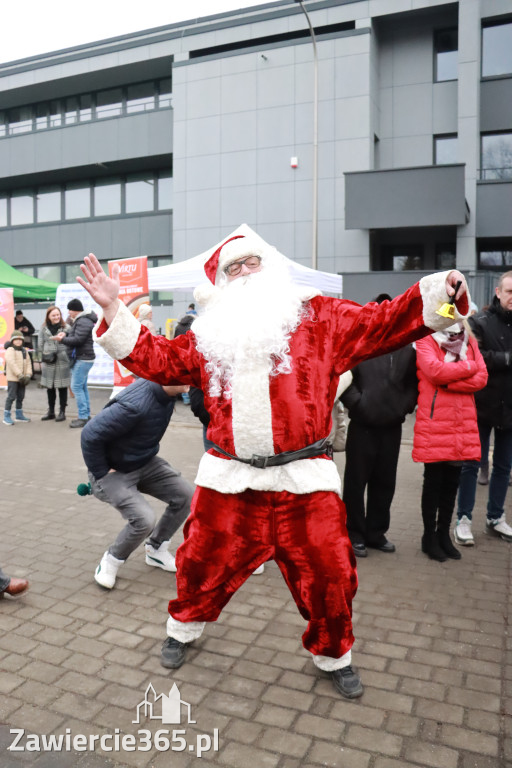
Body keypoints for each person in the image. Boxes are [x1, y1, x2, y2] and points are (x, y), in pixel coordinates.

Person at [77, 235, 469, 700]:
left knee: (332, 576)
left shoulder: (322, 317)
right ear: (222, 283)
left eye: (251, 262)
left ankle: (334, 655)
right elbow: (158, 361)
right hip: (230, 480)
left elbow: (385, 323)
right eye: (233, 268)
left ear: (272, 266)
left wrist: (444, 293)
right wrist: (113, 311)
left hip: (304, 481)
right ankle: (181, 629)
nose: (244, 272)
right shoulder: (208, 335)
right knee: (199, 565)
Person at [81, 378, 194, 589]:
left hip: (144, 462)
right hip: (114, 471)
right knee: (144, 519)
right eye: (186, 373)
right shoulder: (135, 405)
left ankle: (156, 550)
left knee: (186, 495)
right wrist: (102, 471)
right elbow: (90, 434)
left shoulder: (169, 392)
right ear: (167, 375)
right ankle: (111, 561)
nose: (192, 378)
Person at [341, 294, 418, 557]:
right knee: (355, 482)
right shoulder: (358, 345)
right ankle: (354, 533)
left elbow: (413, 385)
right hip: (362, 426)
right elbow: (343, 380)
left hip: (392, 427)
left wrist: (403, 407)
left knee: (385, 482)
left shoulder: (406, 348)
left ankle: (376, 533)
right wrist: (359, 404)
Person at [413, 322, 487, 561]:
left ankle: (443, 534)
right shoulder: (426, 338)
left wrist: (449, 381)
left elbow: (482, 377)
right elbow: (434, 372)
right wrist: (469, 367)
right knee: (433, 482)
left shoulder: (470, 340)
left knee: (452, 482)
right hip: (436, 421)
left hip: (461, 421)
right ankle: (428, 537)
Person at [455, 272, 512, 545]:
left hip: (511, 410)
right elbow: (476, 358)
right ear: (498, 292)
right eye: (509, 291)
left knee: (503, 467)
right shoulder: (479, 322)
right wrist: (507, 359)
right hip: (481, 406)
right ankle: (463, 519)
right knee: (470, 464)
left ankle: (496, 517)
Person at [55, 299, 97, 428]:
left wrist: (62, 339)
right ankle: (86, 415)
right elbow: (76, 334)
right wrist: (66, 333)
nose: (68, 313)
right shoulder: (82, 320)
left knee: (76, 387)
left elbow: (78, 340)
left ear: (74, 310)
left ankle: (83, 417)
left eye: (69, 310)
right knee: (82, 387)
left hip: (82, 358)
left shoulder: (83, 321)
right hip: (84, 358)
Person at [39, 306, 72, 422]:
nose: (56, 317)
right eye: (53, 315)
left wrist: (64, 353)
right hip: (49, 361)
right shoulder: (43, 328)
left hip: (62, 360)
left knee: (62, 387)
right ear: (48, 316)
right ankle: (51, 411)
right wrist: (46, 353)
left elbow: (71, 343)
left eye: (58, 315)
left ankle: (62, 412)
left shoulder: (66, 328)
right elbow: (40, 344)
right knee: (50, 387)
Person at [3, 330, 32, 426]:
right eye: (16, 340)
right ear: (12, 341)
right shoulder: (10, 350)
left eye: (20, 340)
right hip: (13, 378)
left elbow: (28, 363)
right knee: (11, 397)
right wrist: (19, 375)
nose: (18, 341)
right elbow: (12, 363)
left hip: (23, 378)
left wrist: (28, 375)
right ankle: (6, 416)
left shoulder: (24, 351)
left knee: (21, 396)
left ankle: (19, 415)